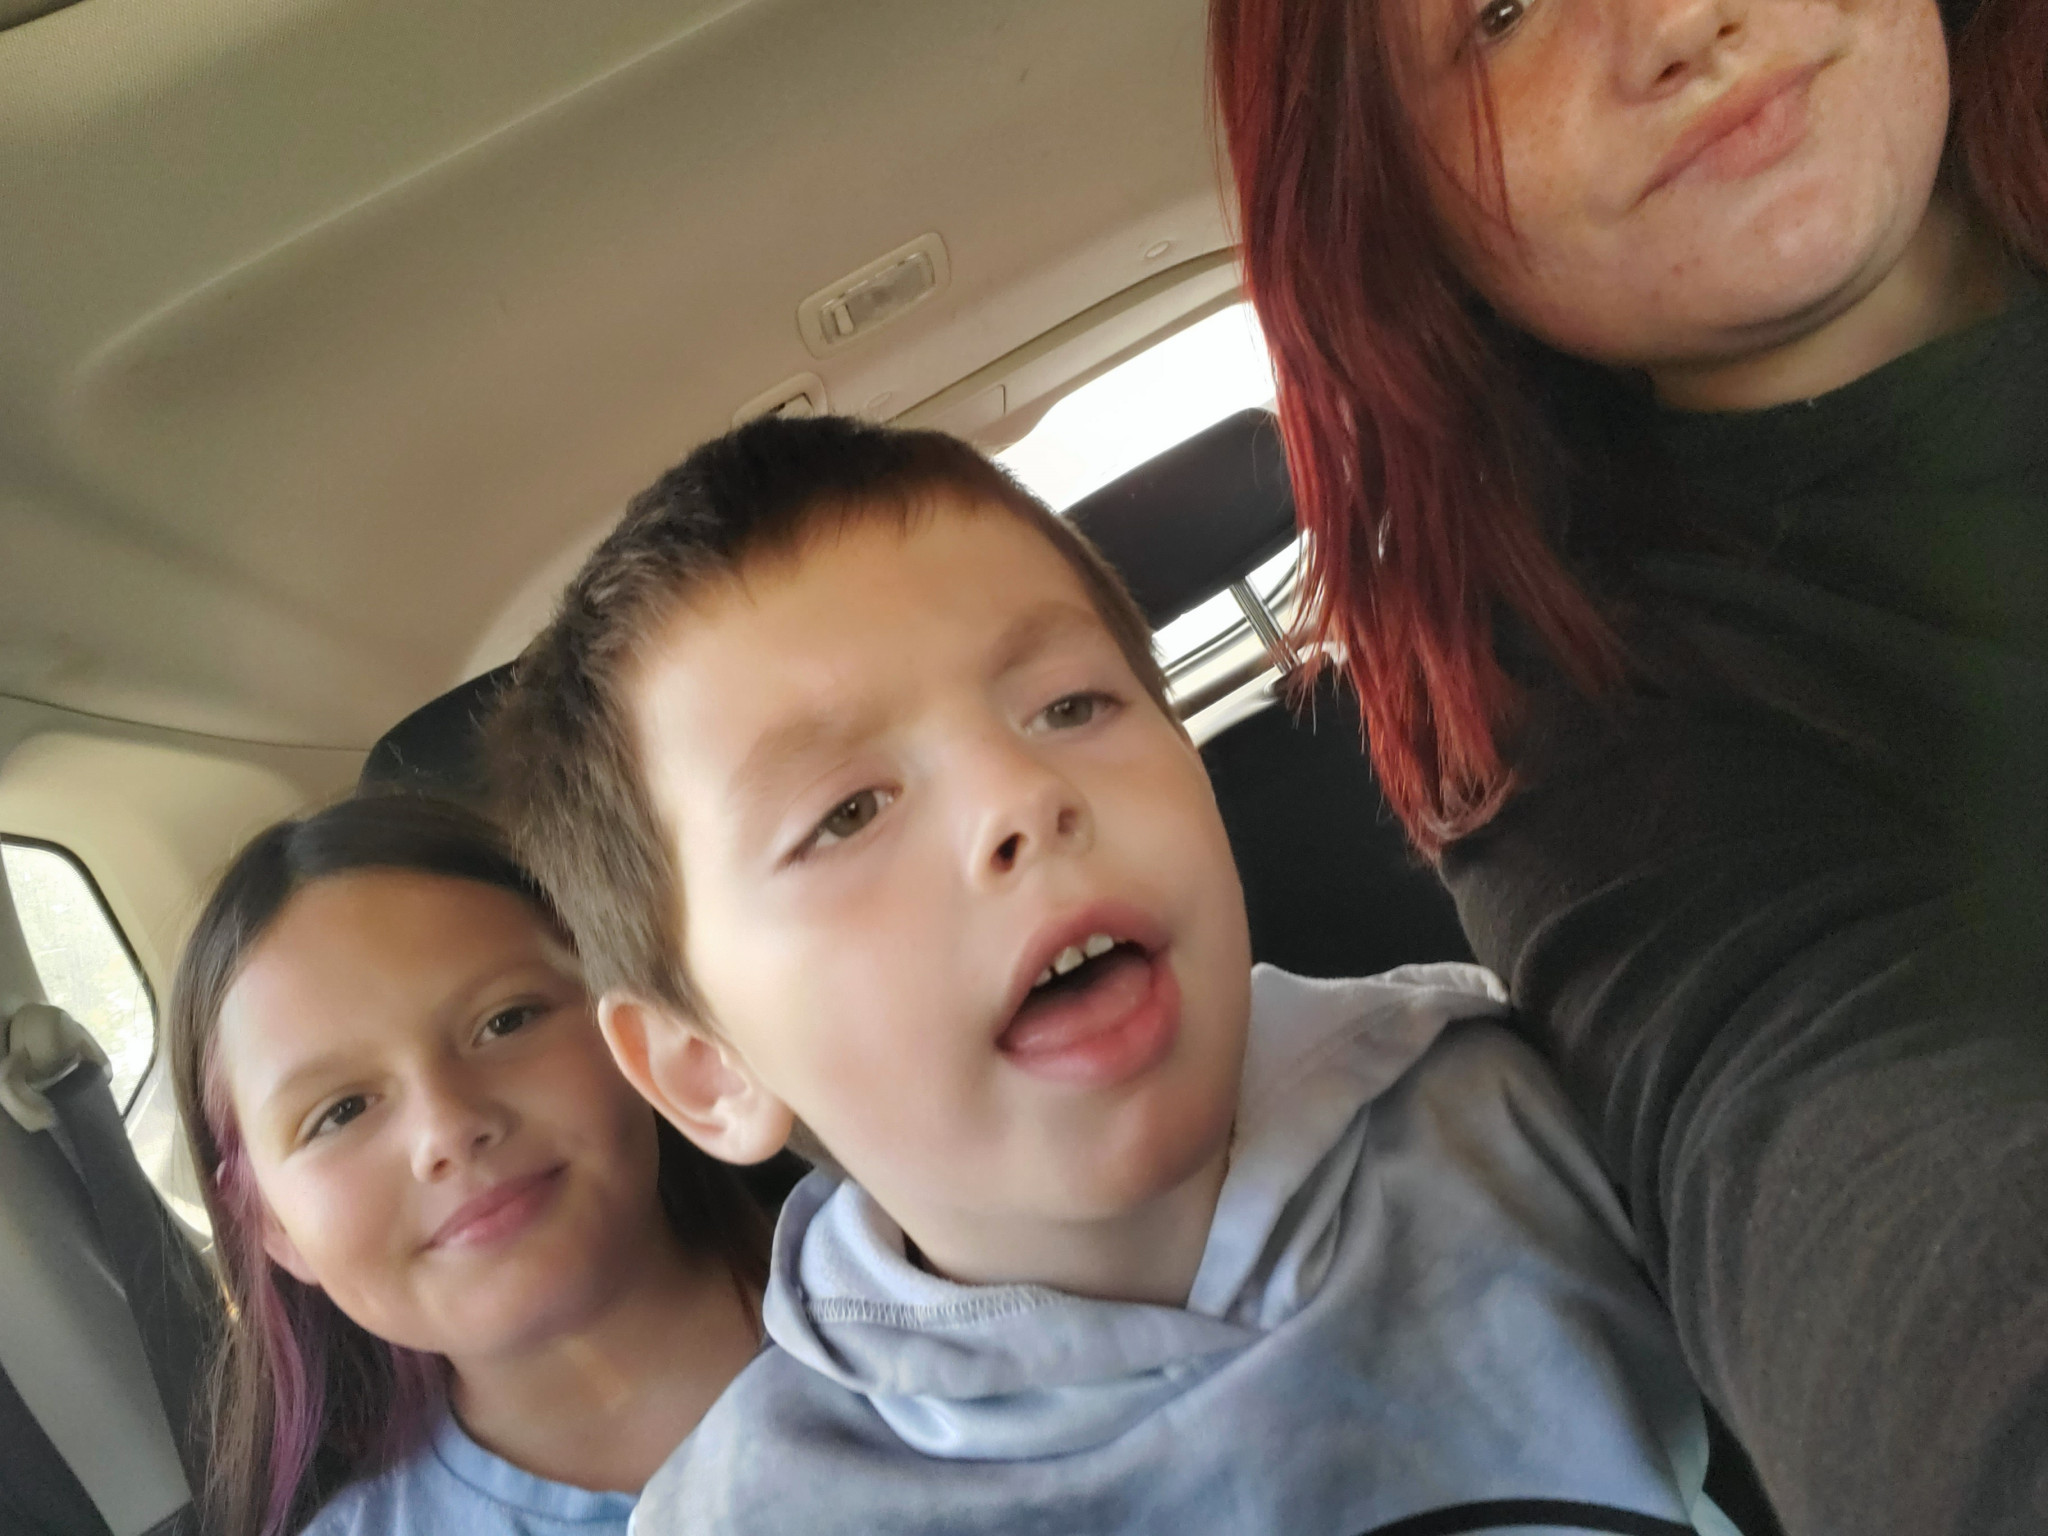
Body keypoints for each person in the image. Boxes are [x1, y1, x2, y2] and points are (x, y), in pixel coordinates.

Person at [489, 413, 1739, 1535]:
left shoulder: (1530, 1105)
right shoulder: (751, 1515)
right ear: (705, 1069)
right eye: (848, 812)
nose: (1019, 796)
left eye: (1071, 707)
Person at [1208, 0, 2047, 1530]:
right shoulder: (1569, 733)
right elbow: (1808, 1130)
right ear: (1398, 204)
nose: (1671, 21)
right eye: (1502, 11)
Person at [166, 795, 771, 1536]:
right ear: (270, 1226)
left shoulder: (899, 1268)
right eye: (341, 1112)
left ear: (640, 1031)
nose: (447, 1129)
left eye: (506, 1021)